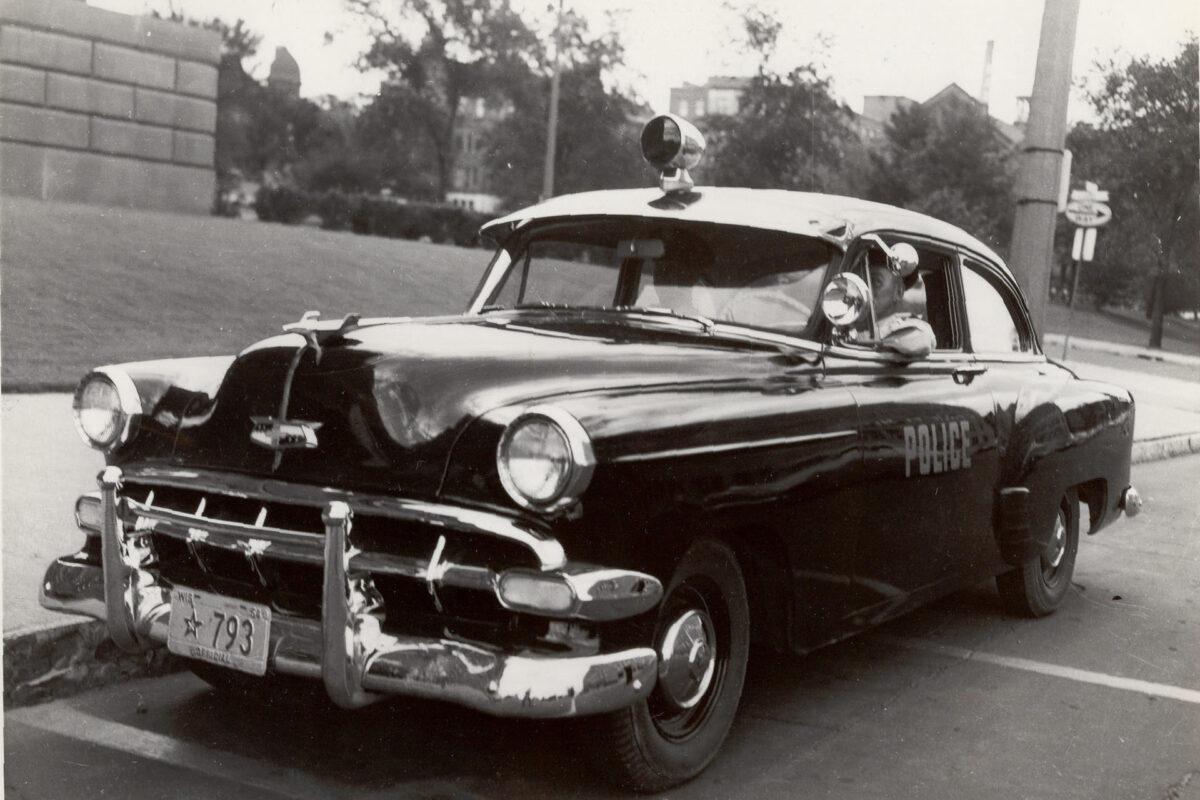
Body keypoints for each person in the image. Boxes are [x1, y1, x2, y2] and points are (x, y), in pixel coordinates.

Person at [866, 251, 937, 357]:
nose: (865, 287)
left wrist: (870, 338)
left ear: (898, 293)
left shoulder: (905, 325)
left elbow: (921, 338)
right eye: (862, 279)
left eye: (875, 282)